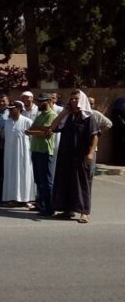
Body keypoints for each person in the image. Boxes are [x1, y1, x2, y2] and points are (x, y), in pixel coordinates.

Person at [49, 90, 100, 223]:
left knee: (82, 184)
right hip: (66, 155)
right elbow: (53, 127)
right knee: (66, 182)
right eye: (71, 99)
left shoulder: (88, 117)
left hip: (81, 156)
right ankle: (68, 210)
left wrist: (91, 153)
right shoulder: (68, 116)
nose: (73, 101)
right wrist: (64, 112)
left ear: (82, 100)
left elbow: (95, 136)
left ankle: (84, 212)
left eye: (76, 99)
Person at [25, 93, 57, 216]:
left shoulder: (52, 115)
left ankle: (49, 208)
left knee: (46, 181)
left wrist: (33, 131)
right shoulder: (40, 115)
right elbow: (32, 128)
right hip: (36, 150)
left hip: (45, 151)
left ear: (48, 101)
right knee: (38, 180)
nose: (38, 103)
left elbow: (46, 133)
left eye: (41, 101)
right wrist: (37, 130)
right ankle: (41, 205)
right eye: (38, 101)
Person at [2, 101, 34, 206]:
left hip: (24, 154)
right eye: (9, 109)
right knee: (11, 174)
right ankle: (12, 198)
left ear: (19, 109)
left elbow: (32, 139)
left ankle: (26, 199)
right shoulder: (7, 122)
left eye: (12, 109)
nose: (10, 111)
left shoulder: (27, 121)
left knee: (24, 174)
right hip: (10, 154)